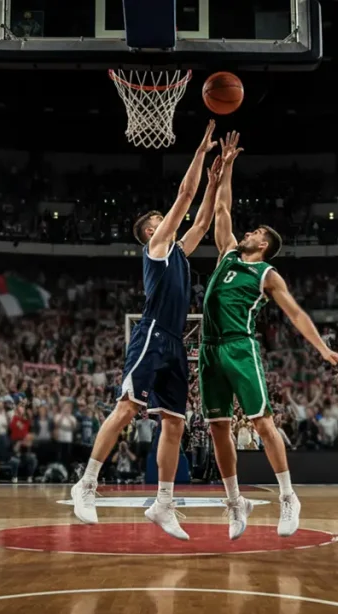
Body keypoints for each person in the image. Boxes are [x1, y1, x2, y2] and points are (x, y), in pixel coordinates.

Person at [70, 121, 222, 540]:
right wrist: (200, 154)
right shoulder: (155, 249)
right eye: (158, 220)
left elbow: (203, 220)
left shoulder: (179, 252)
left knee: (175, 423)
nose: (164, 220)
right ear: (150, 232)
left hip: (174, 341)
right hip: (152, 335)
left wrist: (217, 179)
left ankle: (164, 502)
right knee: (126, 409)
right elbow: (185, 197)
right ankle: (86, 484)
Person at [199, 131, 338, 540]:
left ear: (263, 243)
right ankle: (235, 503)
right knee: (217, 427)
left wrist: (324, 350)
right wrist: (228, 165)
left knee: (262, 423)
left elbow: (297, 314)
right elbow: (222, 208)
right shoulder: (228, 253)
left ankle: (288, 496)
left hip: (239, 346)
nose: (246, 232)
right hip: (208, 349)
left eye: (255, 232)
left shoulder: (266, 274)